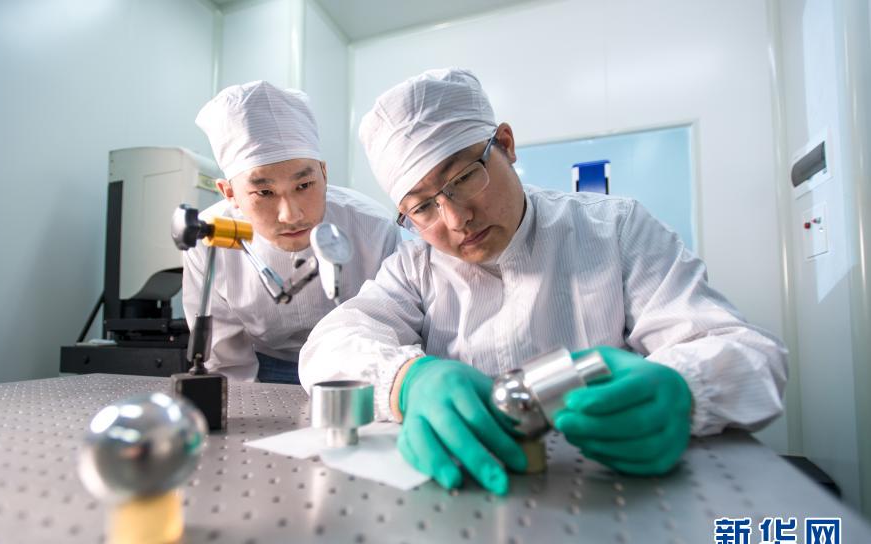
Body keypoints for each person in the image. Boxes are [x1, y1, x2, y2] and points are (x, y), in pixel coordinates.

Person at [299, 68, 787, 495]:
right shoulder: (415, 266)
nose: (456, 219)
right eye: (422, 207)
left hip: (608, 489)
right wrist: (408, 380)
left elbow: (749, 352)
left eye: (464, 177)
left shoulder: (615, 229)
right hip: (472, 495)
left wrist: (684, 388)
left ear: (506, 145)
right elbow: (330, 344)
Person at [183, 80, 400, 384]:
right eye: (264, 193)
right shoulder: (210, 237)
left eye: (304, 185)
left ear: (324, 173)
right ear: (229, 193)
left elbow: (394, 324)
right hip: (265, 365)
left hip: (358, 362)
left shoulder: (373, 227)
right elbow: (227, 361)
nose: (291, 215)